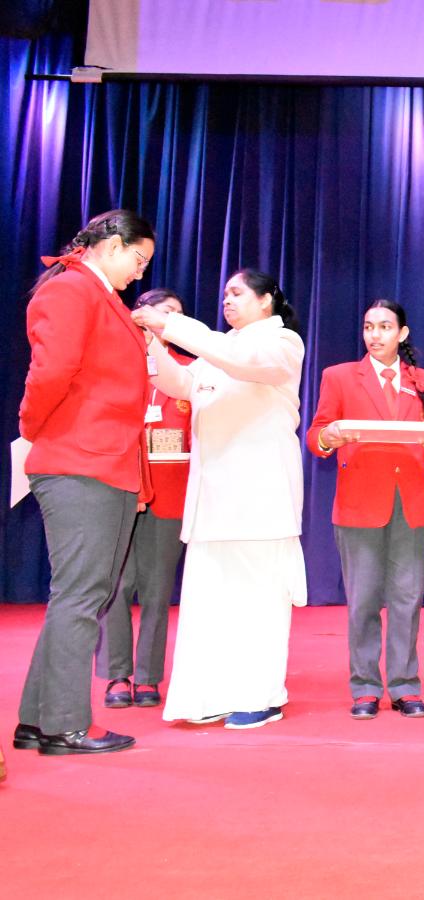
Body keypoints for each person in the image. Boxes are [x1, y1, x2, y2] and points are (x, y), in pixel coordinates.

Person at [133, 268, 306, 730]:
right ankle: (209, 696)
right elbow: (179, 384)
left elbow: (240, 361)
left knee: (259, 603)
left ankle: (262, 696)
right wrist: (152, 340)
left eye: (237, 293)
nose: (226, 300)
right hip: (212, 499)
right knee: (210, 604)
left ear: (266, 300)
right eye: (224, 293)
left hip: (261, 500)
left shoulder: (281, 342)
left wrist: (172, 324)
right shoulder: (218, 347)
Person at [13, 209, 154, 756]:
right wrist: (32, 427)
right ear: (112, 245)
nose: (139, 273)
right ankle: (65, 725)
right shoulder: (72, 290)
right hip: (80, 461)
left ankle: (36, 719)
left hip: (104, 461)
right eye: (137, 259)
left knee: (81, 594)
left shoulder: (100, 297)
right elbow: (50, 373)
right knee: (81, 596)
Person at [307, 299, 424, 720]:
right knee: (363, 600)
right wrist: (329, 437)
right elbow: (316, 434)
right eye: (369, 326)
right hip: (359, 504)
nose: (375, 335)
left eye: (385, 327)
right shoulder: (338, 377)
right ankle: (365, 687)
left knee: (407, 599)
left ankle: (405, 686)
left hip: (411, 504)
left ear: (402, 334)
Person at [96, 288, 192, 710]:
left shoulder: (189, 370)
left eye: (178, 315)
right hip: (119, 488)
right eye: (164, 312)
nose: (170, 320)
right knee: (117, 585)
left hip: (170, 492)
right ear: (140, 315)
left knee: (156, 589)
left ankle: (149, 677)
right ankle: (117, 674)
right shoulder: (114, 362)